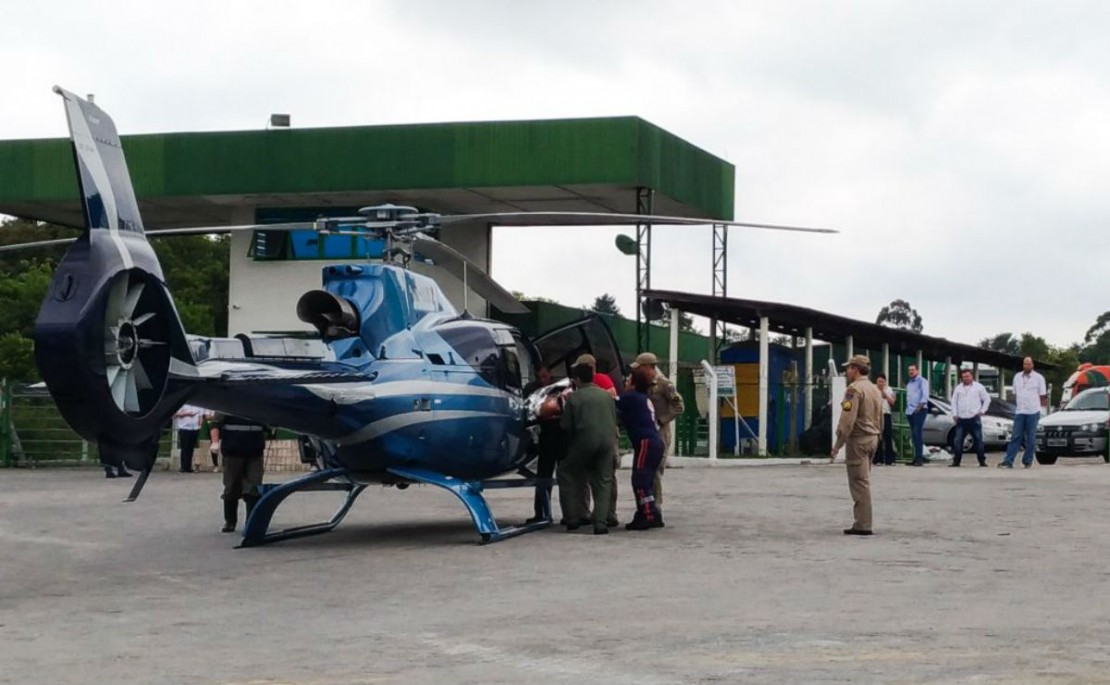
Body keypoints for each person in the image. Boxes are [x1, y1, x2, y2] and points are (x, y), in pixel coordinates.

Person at [558, 362, 618, 535]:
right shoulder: (606, 396)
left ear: (576, 379)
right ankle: (600, 522)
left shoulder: (574, 398)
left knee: (565, 472)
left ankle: (572, 519)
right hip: (608, 441)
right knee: (604, 479)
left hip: (585, 442)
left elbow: (566, 426)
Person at [830, 355, 883, 535]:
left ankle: (863, 524)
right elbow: (880, 416)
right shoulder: (875, 388)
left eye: (849, 367)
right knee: (865, 479)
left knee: (859, 483)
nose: (847, 371)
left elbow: (847, 419)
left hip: (858, 440)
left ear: (856, 369)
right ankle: (863, 521)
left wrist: (838, 444)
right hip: (873, 437)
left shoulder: (853, 390)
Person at [630, 352, 685, 505]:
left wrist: (662, 420)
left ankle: (656, 507)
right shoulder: (640, 384)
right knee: (641, 472)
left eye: (639, 368)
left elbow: (679, 406)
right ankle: (644, 506)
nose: (636, 371)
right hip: (644, 433)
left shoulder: (664, 385)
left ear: (648, 367)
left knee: (654, 472)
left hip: (660, 433)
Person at [572, 353, 620, 527]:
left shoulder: (601, 379)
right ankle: (586, 512)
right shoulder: (579, 388)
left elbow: (613, 394)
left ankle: (608, 513)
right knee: (587, 475)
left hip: (603, 433)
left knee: (606, 476)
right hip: (599, 435)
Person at [616, 373, 665, 530]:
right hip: (655, 441)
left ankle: (649, 514)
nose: (625, 381)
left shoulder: (630, 396)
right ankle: (649, 513)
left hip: (646, 442)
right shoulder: (644, 398)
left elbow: (612, 402)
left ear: (634, 384)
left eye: (629, 380)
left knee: (640, 480)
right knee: (647, 480)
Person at [209, 412, 268, 533]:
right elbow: (215, 423)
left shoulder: (259, 403)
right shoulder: (229, 401)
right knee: (231, 487)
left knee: (254, 488)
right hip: (233, 451)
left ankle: (251, 522)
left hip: (255, 452)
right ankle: (230, 521)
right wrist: (214, 442)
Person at [524, 365, 567, 523]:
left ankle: (569, 514)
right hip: (545, 439)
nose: (542, 380)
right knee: (543, 478)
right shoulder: (533, 390)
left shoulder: (559, 389)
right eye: (539, 377)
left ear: (549, 374)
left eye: (544, 376)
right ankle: (540, 512)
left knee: (565, 479)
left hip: (561, 438)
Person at [1000, 357, 1048, 469]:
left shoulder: (1039, 378)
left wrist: (1042, 410)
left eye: (1028, 364)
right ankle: (1008, 461)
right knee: (1015, 436)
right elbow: (1015, 393)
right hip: (1020, 411)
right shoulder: (1017, 377)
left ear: (1032, 365)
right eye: (1024, 364)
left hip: (1033, 411)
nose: (1026, 366)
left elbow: (1043, 396)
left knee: (1030, 437)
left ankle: (1027, 460)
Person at [948, 369, 991, 467]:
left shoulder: (979, 387)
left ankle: (982, 461)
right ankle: (956, 461)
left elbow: (987, 399)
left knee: (978, 440)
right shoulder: (958, 388)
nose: (966, 378)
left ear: (972, 376)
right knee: (958, 441)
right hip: (961, 419)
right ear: (961, 378)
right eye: (964, 377)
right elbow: (954, 402)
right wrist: (954, 414)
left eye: (968, 376)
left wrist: (982, 411)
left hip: (974, 418)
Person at [905, 364, 930, 466]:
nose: (911, 372)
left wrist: (918, 408)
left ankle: (919, 458)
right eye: (909, 370)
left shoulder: (922, 381)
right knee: (914, 436)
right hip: (910, 411)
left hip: (919, 410)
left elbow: (925, 396)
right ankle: (916, 457)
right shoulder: (909, 383)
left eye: (913, 370)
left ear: (917, 371)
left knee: (917, 434)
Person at [872, 374, 897, 465]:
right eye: (879, 381)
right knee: (877, 436)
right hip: (876, 414)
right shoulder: (873, 389)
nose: (880, 383)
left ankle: (890, 459)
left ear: (885, 382)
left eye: (882, 381)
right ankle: (878, 459)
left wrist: (885, 395)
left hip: (886, 413)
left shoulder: (889, 390)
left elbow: (893, 402)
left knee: (888, 436)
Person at [173, 404, 204, 473]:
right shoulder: (183, 404)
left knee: (191, 448)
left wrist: (200, 424)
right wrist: (186, 414)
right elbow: (176, 414)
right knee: (185, 447)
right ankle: (183, 466)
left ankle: (188, 466)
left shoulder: (198, 405)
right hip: (184, 427)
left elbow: (200, 415)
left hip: (195, 427)